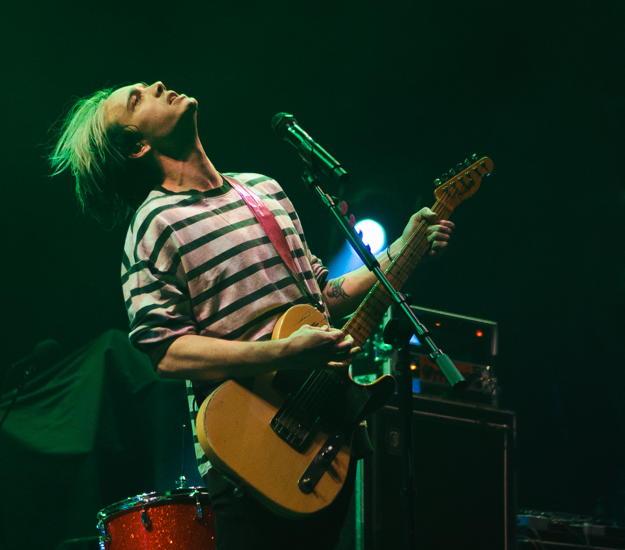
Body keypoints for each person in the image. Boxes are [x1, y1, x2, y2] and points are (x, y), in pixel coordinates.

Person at [50, 80, 455, 550]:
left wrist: (404, 249)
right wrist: (282, 352)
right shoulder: (154, 225)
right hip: (248, 455)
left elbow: (324, 293)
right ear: (139, 146)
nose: (156, 85)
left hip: (323, 433)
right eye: (136, 99)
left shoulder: (264, 190)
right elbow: (165, 351)